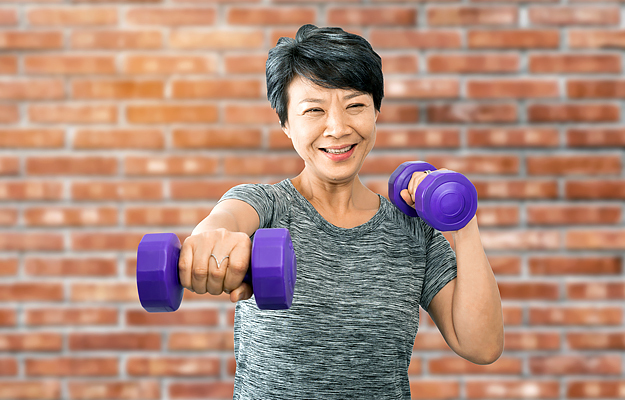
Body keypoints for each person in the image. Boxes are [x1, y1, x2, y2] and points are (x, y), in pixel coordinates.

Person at [178, 24, 504, 399]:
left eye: (355, 106)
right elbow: (226, 219)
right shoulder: (267, 205)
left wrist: (461, 222)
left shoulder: (413, 233)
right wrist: (210, 240)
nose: (337, 128)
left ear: (376, 112)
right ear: (285, 123)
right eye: (314, 110)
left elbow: (482, 346)